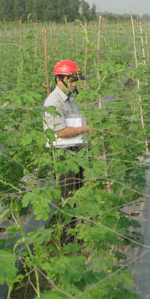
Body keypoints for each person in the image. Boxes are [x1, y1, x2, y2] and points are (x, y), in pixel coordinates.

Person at [43, 59, 91, 199]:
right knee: (68, 194)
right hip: (63, 154)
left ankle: (79, 219)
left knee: (79, 189)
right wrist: (86, 129)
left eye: (76, 80)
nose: (74, 84)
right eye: (71, 80)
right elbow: (60, 132)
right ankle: (69, 221)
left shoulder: (71, 96)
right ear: (59, 80)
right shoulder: (53, 103)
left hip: (77, 149)